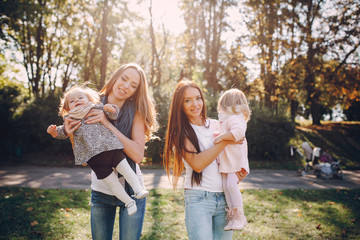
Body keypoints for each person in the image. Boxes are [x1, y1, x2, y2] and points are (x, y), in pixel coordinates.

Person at [62, 63, 158, 240]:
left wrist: (107, 124)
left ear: (136, 91)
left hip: (132, 191)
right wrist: (71, 135)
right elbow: (84, 160)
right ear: (116, 77)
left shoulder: (136, 111)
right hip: (101, 192)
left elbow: (137, 155)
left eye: (133, 85)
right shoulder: (89, 103)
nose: (126, 86)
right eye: (124, 79)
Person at [47, 85, 149, 216]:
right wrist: (54, 132)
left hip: (110, 148)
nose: (76, 101)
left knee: (126, 169)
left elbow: (113, 115)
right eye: (72, 101)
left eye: (80, 97)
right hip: (94, 159)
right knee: (112, 183)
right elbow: (63, 132)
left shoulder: (96, 107)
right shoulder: (70, 119)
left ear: (89, 99)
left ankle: (138, 189)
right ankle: (129, 202)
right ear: (67, 108)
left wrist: (110, 109)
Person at [163, 80, 243, 240]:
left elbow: (237, 147)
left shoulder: (216, 124)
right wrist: (226, 140)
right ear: (180, 105)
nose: (195, 104)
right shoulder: (180, 132)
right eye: (188, 100)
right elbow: (197, 164)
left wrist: (238, 170)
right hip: (198, 199)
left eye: (198, 98)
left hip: (224, 198)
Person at [214, 88, 250, 231]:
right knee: (226, 187)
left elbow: (239, 133)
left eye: (222, 105)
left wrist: (223, 137)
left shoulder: (235, 117)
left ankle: (240, 217)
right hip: (228, 161)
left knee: (230, 185)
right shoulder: (226, 119)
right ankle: (233, 217)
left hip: (235, 161)